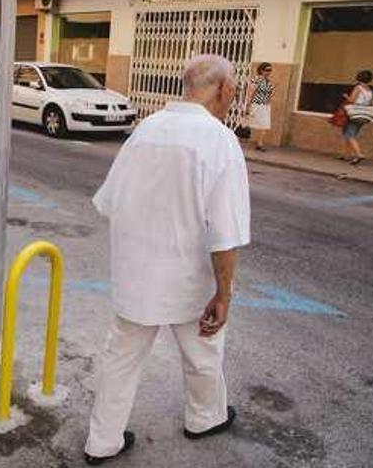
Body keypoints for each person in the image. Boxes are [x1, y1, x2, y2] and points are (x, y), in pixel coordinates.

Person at [85, 54, 251, 465]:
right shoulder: (219, 140)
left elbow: (109, 202)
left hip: (137, 277)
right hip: (188, 281)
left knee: (120, 358)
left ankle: (101, 442)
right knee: (203, 353)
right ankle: (204, 418)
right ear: (225, 90)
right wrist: (224, 293)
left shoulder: (145, 131)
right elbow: (224, 232)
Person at [339, 70, 373, 165]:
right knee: (349, 133)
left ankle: (359, 154)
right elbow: (372, 103)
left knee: (350, 135)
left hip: (355, 113)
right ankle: (346, 155)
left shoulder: (358, 87)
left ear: (359, 77)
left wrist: (346, 96)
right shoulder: (369, 90)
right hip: (363, 115)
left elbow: (352, 100)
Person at [244, 62, 275, 151]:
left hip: (265, 105)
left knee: (264, 124)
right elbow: (251, 92)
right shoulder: (256, 80)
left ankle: (260, 143)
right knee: (249, 122)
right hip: (256, 104)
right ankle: (238, 137)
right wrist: (248, 105)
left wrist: (269, 99)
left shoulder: (268, 82)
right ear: (261, 70)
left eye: (270, 70)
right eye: (267, 70)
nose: (269, 72)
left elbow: (270, 93)